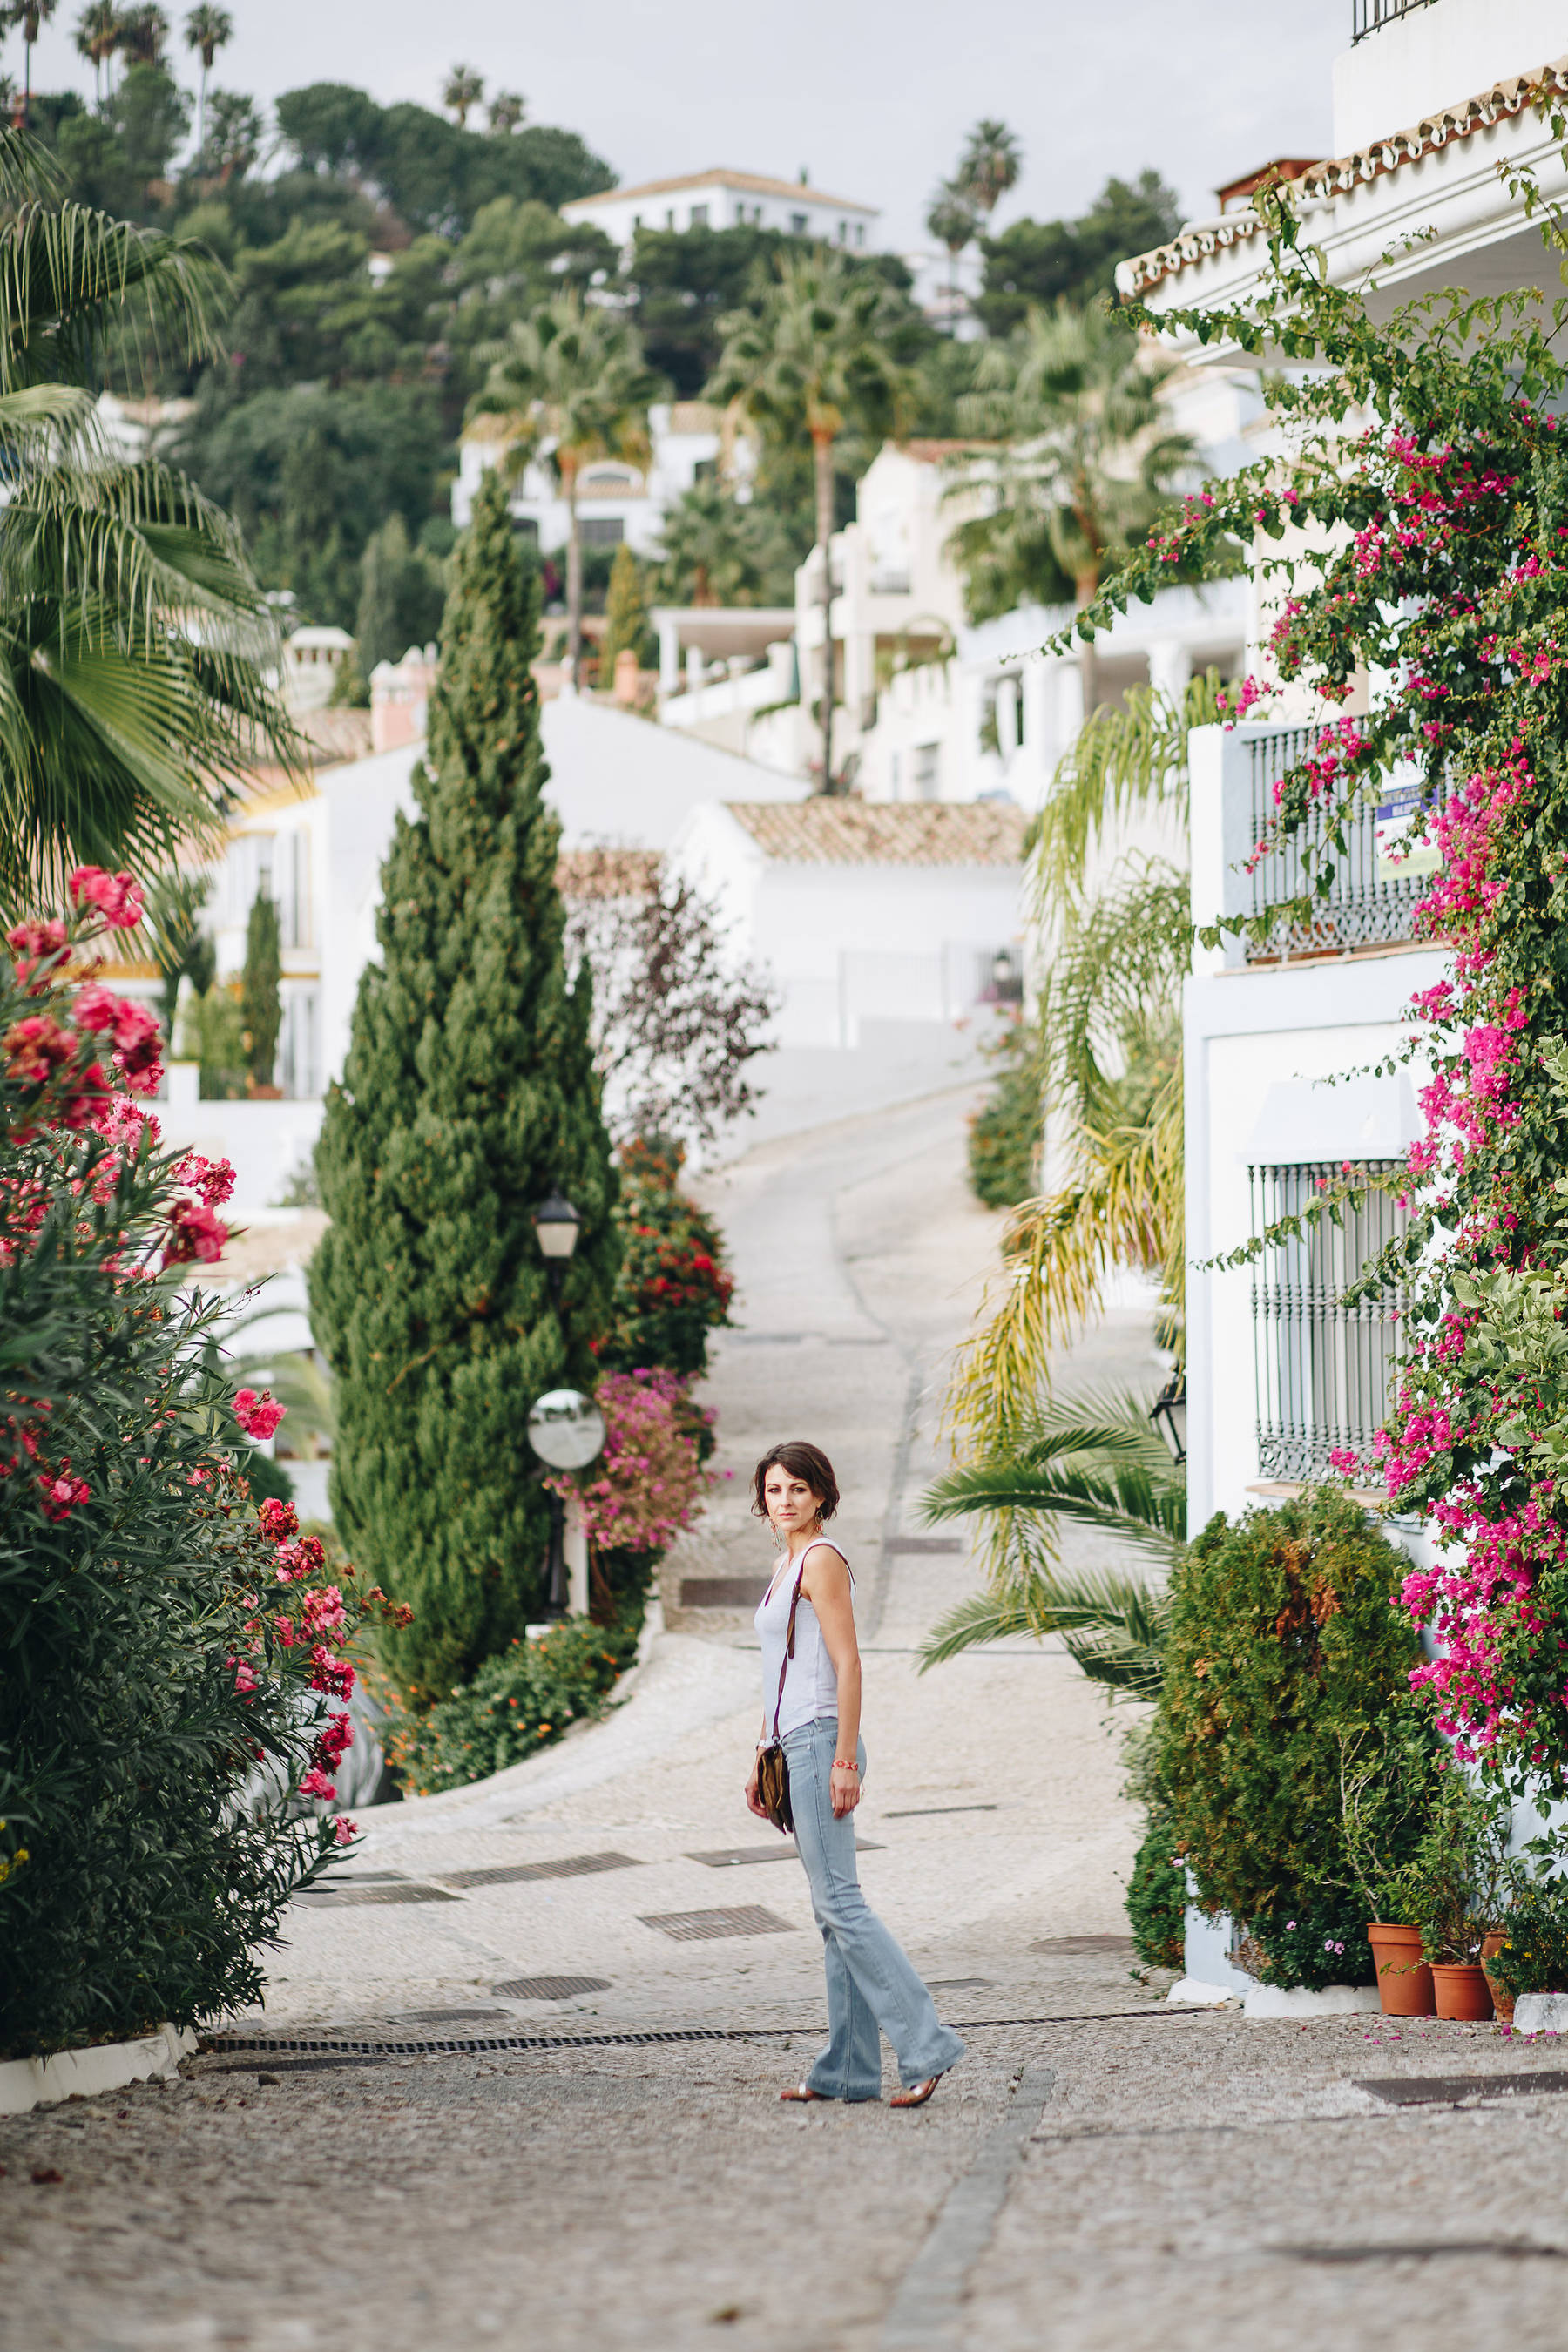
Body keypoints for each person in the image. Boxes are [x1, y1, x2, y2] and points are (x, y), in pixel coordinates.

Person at [745, 1438, 966, 2107]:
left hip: (820, 1745)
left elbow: (848, 1665)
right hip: (792, 1745)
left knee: (842, 1904)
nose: (785, 1501)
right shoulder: (785, 1562)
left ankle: (926, 2047)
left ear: (821, 1496)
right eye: (775, 1489)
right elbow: (777, 1673)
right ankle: (846, 2070)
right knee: (830, 1914)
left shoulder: (821, 1560)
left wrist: (844, 1758)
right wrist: (761, 1753)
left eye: (798, 1490)